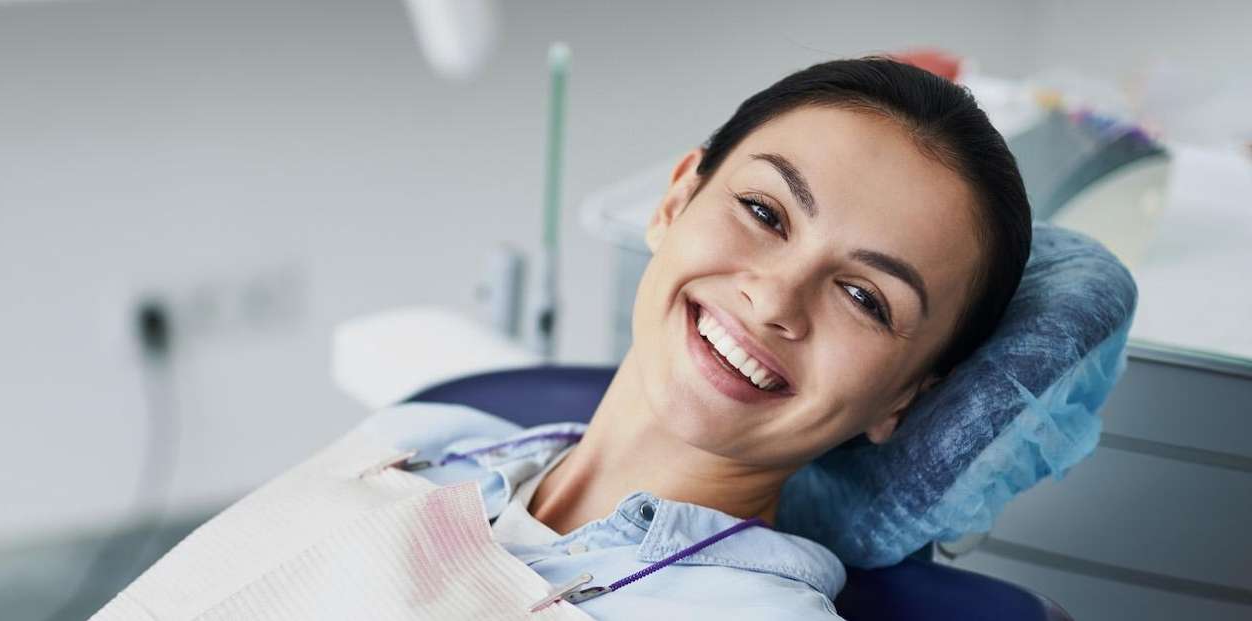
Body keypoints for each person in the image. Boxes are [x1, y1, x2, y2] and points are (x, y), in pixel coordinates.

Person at [357, 56, 1034, 618]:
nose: (773, 299)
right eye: (765, 212)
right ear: (675, 200)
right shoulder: (419, 442)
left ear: (906, 399)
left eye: (864, 298)